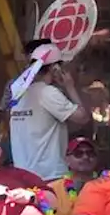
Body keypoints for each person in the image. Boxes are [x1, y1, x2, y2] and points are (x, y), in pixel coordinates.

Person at [7, 45, 89, 181]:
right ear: (54, 69)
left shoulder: (18, 93)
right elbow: (83, 118)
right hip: (49, 176)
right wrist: (70, 86)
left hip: (22, 175)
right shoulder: (48, 93)